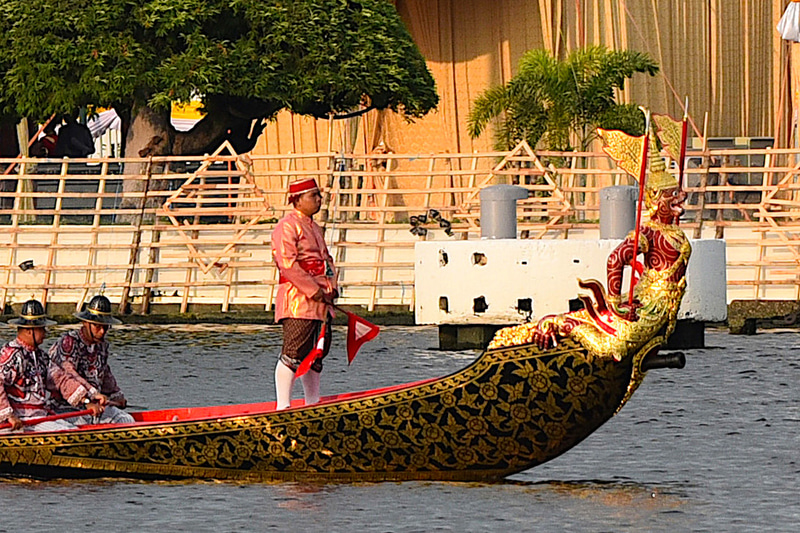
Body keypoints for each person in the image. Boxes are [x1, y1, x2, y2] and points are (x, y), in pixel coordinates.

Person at [528, 143, 692, 361]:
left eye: (678, 192)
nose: (681, 196)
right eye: (672, 194)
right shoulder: (647, 232)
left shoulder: (673, 230)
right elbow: (615, 259)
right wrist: (615, 305)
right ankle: (560, 323)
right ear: (655, 199)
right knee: (612, 349)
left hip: (665, 306)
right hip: (649, 303)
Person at [271, 178, 338, 410]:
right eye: (313, 196)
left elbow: (326, 261)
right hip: (298, 299)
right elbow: (288, 266)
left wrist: (331, 288)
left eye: (319, 196)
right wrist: (313, 290)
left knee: (317, 352)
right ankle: (283, 405)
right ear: (297, 201)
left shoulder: (315, 228)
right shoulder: (287, 226)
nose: (319, 200)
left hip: (321, 301)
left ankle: (312, 402)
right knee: (293, 351)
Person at [0, 299, 106, 432]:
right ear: (29, 331)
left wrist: (87, 400)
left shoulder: (41, 357)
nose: (45, 334)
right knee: (67, 433)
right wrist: (8, 415)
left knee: (72, 429)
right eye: (42, 329)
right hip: (22, 419)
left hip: (41, 416)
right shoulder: (11, 355)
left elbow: (61, 379)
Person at [49, 295, 135, 424]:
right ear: (85, 322)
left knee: (126, 420)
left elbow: (104, 373)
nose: (102, 332)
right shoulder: (69, 343)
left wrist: (116, 395)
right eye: (97, 327)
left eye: (105, 327)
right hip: (65, 407)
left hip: (95, 405)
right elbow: (69, 374)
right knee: (82, 424)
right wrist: (88, 397)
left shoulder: (102, 345)